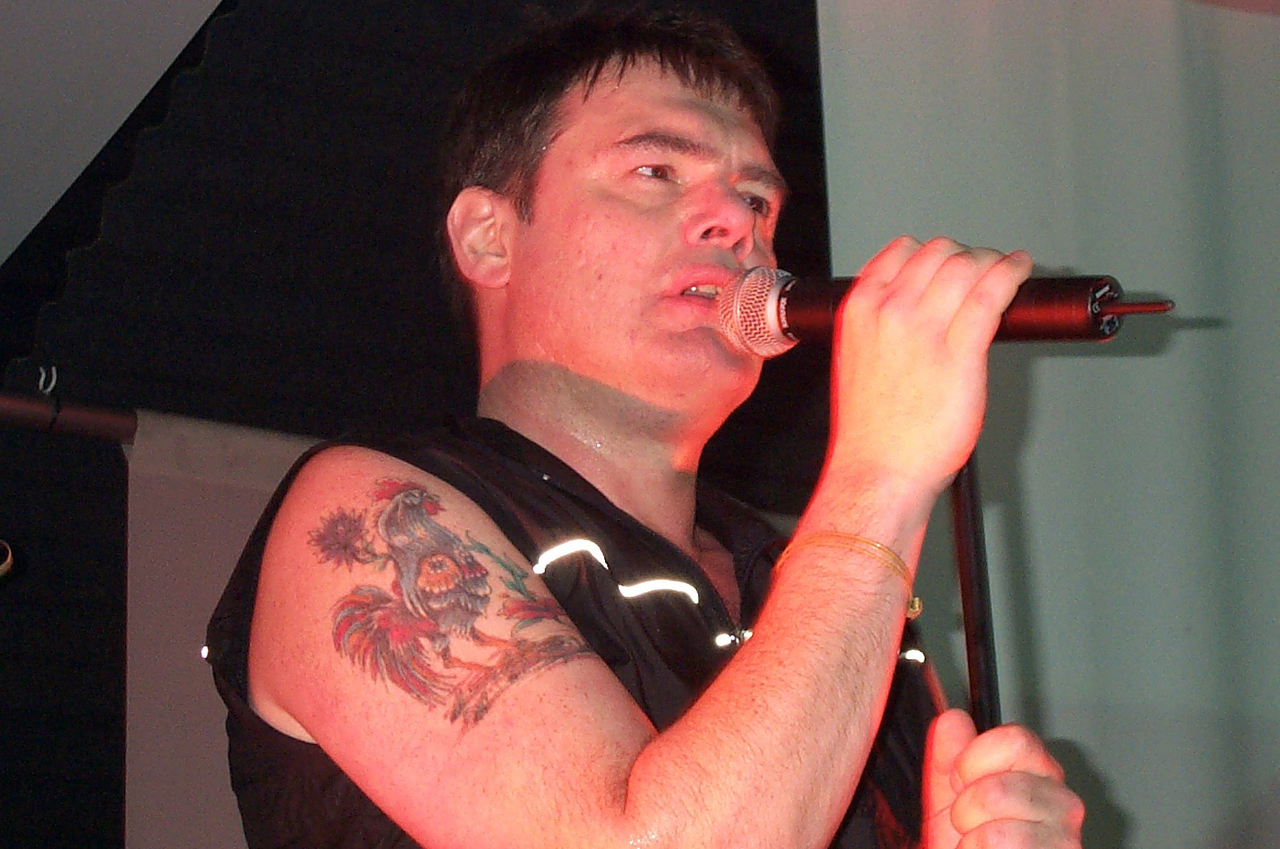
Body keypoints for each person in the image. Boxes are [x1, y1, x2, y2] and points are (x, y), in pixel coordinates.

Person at [207, 7, 1084, 848]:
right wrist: (882, 475)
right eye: (656, 172)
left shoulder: (815, 587)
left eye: (757, 200)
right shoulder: (372, 517)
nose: (736, 221)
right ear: (488, 239)